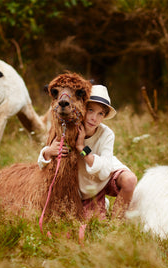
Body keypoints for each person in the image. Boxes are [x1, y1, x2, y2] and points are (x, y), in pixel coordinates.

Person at [38, 85, 137, 220]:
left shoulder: (106, 134)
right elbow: (43, 165)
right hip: (85, 186)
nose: (94, 118)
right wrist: (48, 151)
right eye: (90, 110)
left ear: (104, 116)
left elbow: (104, 172)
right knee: (88, 223)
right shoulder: (70, 128)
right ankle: (101, 205)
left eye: (100, 113)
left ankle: (117, 224)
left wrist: (81, 148)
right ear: (82, 109)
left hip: (105, 173)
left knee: (130, 180)